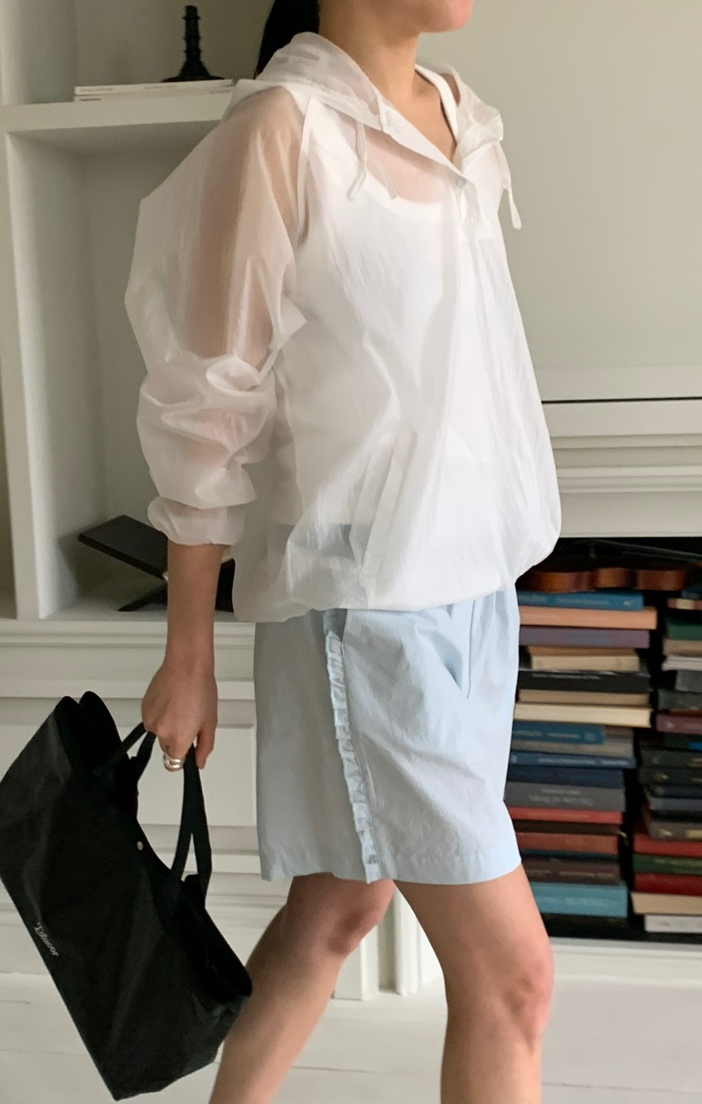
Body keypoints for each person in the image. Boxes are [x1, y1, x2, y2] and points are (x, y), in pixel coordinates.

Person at [124, 1, 562, 1102]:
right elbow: (207, 405)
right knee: (513, 979)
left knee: (337, 905)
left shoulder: (463, 117)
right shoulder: (284, 128)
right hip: (366, 601)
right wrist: (188, 651)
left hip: (473, 587)